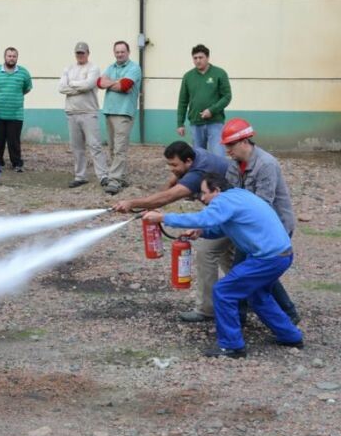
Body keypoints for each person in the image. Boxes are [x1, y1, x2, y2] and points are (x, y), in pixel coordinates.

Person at [144, 173, 303, 358]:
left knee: (223, 291)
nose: (202, 198)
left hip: (267, 258)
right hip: (281, 254)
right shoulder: (238, 197)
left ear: (217, 190)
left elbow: (204, 218)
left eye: (204, 193)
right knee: (258, 295)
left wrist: (163, 217)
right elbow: (221, 227)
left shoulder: (225, 201)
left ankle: (232, 346)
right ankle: (291, 336)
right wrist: (201, 232)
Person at [112, 141, 233, 323]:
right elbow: (172, 186)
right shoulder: (196, 155)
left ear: (189, 161)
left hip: (230, 213)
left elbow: (169, 196)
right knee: (229, 256)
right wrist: (153, 204)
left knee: (207, 252)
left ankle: (207, 310)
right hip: (231, 211)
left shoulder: (197, 173)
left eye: (174, 165)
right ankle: (248, 297)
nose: (171, 169)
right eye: (169, 164)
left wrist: (133, 203)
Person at [223, 118, 300, 324]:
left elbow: (262, 205)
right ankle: (283, 313)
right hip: (249, 228)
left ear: (244, 142)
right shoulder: (233, 167)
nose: (227, 150)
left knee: (246, 271)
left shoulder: (266, 164)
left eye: (230, 145)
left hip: (274, 227)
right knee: (258, 272)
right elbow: (232, 197)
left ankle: (242, 317)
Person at [59, 41, 109, 188]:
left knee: (95, 145)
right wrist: (80, 86)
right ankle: (80, 176)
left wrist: (72, 84)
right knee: (76, 147)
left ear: (88, 53)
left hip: (89, 112)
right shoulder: (68, 68)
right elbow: (61, 87)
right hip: (72, 112)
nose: (80, 55)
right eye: (78, 53)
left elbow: (89, 85)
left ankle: (103, 175)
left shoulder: (94, 68)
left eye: (82, 53)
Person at [97, 41, 142, 194]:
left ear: (128, 52)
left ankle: (114, 180)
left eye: (122, 52)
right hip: (109, 111)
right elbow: (99, 82)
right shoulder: (111, 67)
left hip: (124, 112)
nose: (119, 54)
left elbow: (125, 86)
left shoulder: (134, 68)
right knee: (112, 147)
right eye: (117, 52)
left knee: (120, 148)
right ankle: (120, 177)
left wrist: (113, 84)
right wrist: (115, 83)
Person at [176, 44, 232, 157]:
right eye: (195, 58)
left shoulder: (219, 73)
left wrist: (212, 110)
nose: (198, 61)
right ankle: (203, 175)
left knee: (218, 155)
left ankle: (219, 175)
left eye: (201, 57)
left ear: (207, 58)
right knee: (199, 157)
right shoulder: (188, 76)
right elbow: (183, 101)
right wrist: (180, 123)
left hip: (215, 122)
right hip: (196, 123)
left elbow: (227, 96)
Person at [0, 47, 33, 172]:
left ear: (17, 58)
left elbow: (27, 88)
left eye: (14, 56)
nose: (11, 58)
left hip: (15, 114)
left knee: (14, 141)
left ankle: (17, 163)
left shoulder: (24, 73)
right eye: (9, 56)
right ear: (5, 57)